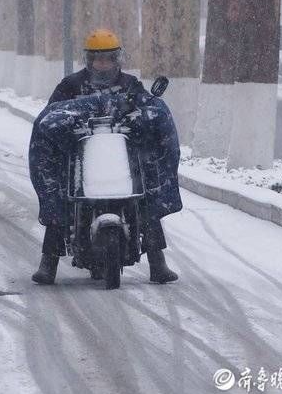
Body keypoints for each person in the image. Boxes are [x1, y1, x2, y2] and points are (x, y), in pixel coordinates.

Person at [28, 28, 182, 285]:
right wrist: (67, 125)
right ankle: (48, 262)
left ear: (117, 59)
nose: (103, 63)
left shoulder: (130, 84)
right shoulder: (70, 85)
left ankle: (158, 262)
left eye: (108, 58)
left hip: (121, 154)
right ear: (89, 60)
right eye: (98, 58)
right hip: (80, 156)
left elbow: (148, 107)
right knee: (62, 197)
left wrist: (141, 119)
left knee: (145, 196)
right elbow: (51, 114)